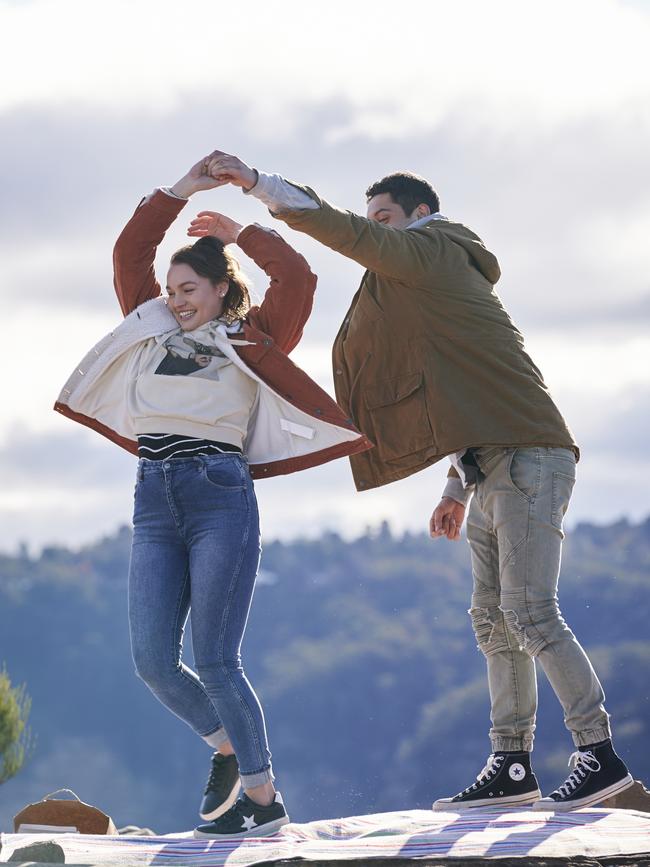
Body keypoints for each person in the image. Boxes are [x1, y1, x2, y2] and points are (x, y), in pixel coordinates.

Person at [197, 150, 634, 813]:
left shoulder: (432, 250)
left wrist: (256, 188)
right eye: (373, 217)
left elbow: (348, 234)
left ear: (421, 217)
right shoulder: (419, 291)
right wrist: (457, 488)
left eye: (385, 218)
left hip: (527, 455)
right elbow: (457, 390)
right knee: (493, 622)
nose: (376, 228)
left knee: (530, 612)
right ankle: (512, 766)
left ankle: (598, 754)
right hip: (492, 464)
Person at [54, 155, 371, 837]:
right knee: (151, 660)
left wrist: (239, 229)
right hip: (153, 496)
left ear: (224, 289)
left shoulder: (254, 336)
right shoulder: (148, 328)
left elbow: (300, 276)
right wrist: (182, 189)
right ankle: (229, 750)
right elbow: (128, 251)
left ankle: (262, 796)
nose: (175, 297)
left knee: (218, 659)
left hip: (218, 494)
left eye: (190, 286)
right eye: (170, 287)